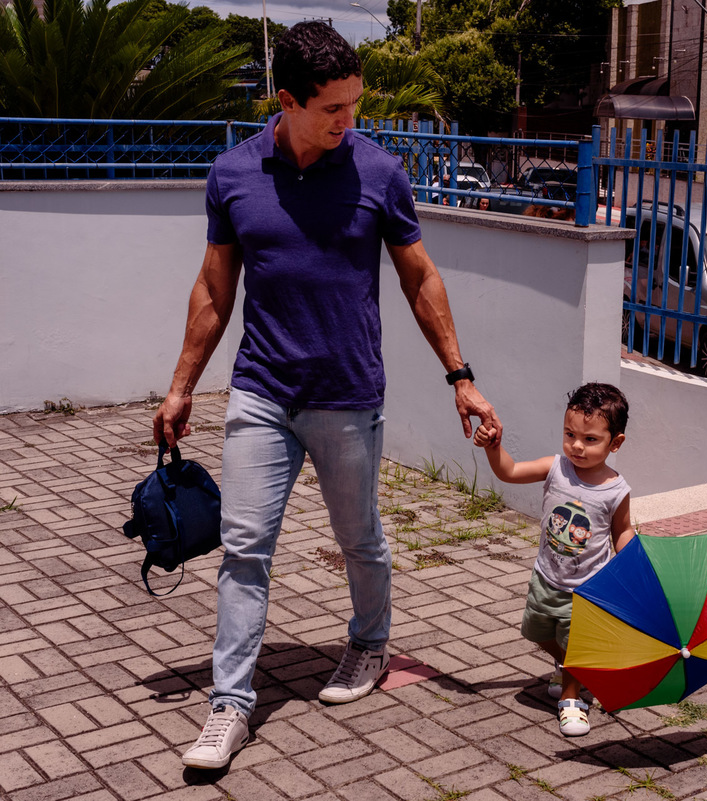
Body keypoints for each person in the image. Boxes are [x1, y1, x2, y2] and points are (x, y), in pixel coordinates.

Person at [154, 22, 500, 770]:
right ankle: (229, 705)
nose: (350, 120)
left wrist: (460, 375)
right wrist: (181, 386)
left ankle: (370, 643)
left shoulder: (379, 173)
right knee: (245, 549)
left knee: (358, 539)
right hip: (262, 390)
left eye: (356, 103)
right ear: (287, 101)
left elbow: (419, 276)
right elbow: (215, 290)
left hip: (347, 395)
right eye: (334, 107)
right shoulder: (234, 174)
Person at [472, 383, 633, 738]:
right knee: (538, 632)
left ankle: (573, 700)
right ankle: (566, 665)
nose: (577, 445)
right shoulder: (556, 468)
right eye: (570, 434)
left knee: (575, 644)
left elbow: (621, 532)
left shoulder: (615, 489)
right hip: (546, 577)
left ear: (615, 443)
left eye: (590, 439)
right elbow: (509, 472)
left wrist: (636, 563)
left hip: (588, 587)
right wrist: (494, 447)